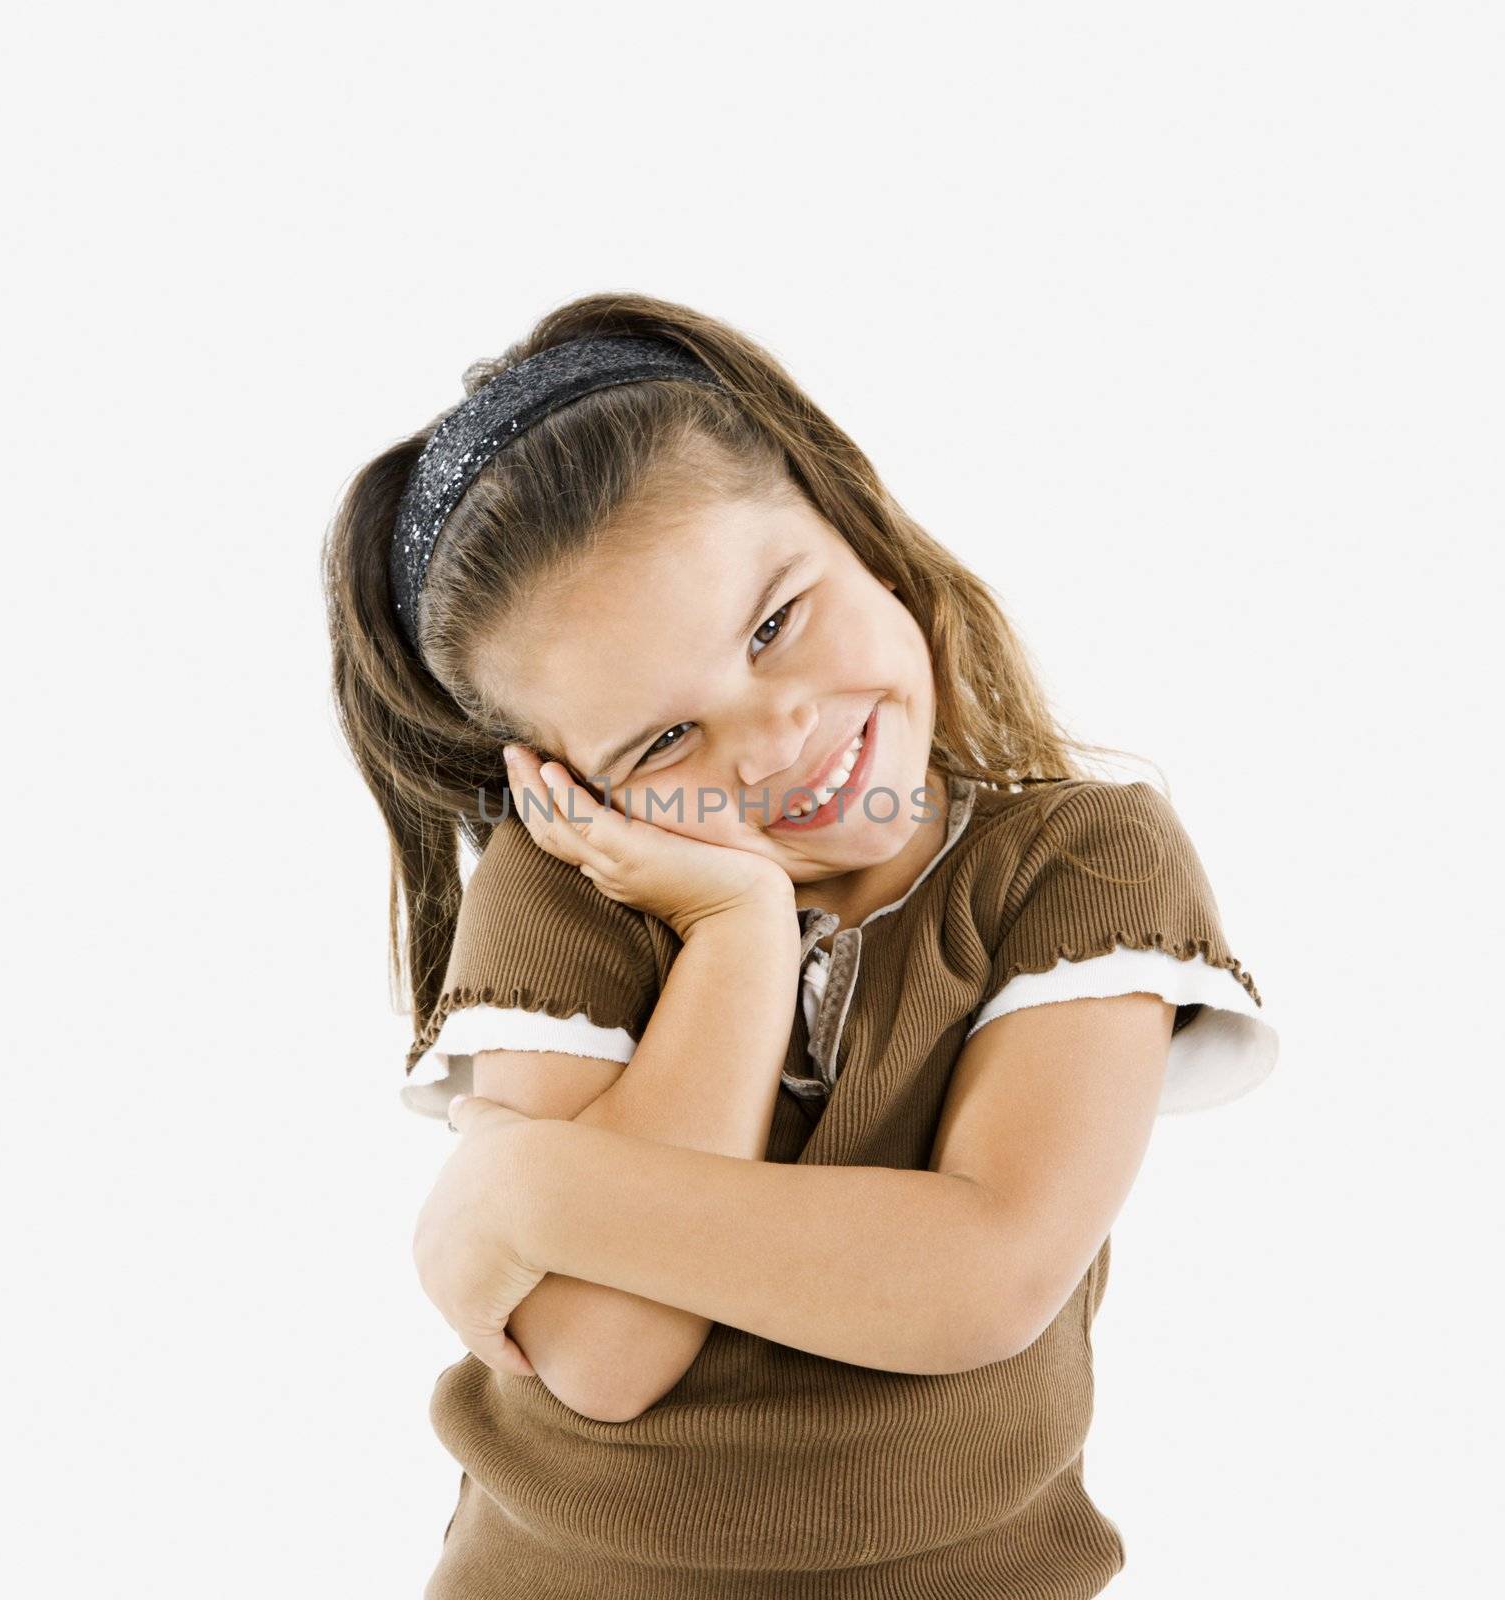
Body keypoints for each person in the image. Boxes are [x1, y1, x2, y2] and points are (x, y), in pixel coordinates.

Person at [322, 291, 1280, 1598]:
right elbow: (605, 1355)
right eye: (662, 743)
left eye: (774, 623)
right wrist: (737, 934)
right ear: (568, 785)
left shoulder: (1082, 867)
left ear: (851, 519)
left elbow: (981, 1277)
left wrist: (513, 1189)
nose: (773, 744)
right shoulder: (561, 898)